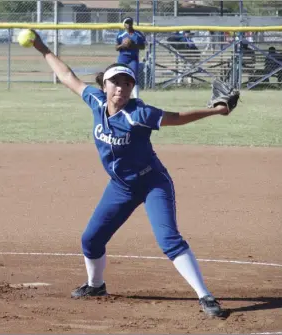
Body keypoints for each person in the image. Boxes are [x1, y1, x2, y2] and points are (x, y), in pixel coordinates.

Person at [29, 30, 232, 318]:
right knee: (90, 240)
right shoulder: (96, 102)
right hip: (121, 186)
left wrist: (216, 111)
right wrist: (41, 47)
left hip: (152, 183)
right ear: (105, 85)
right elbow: (67, 76)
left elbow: (177, 118)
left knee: (169, 240)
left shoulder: (139, 113)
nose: (121, 89)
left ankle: (206, 296)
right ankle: (95, 285)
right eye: (115, 83)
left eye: (127, 83)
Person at [115, 17, 146, 96]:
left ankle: (136, 97)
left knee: (134, 76)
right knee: (120, 75)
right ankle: (121, 94)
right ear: (124, 24)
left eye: (130, 23)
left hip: (133, 58)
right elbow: (116, 48)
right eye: (126, 23)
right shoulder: (120, 34)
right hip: (123, 58)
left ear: (132, 23)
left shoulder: (138, 34)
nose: (128, 25)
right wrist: (123, 45)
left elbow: (143, 47)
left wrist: (133, 45)